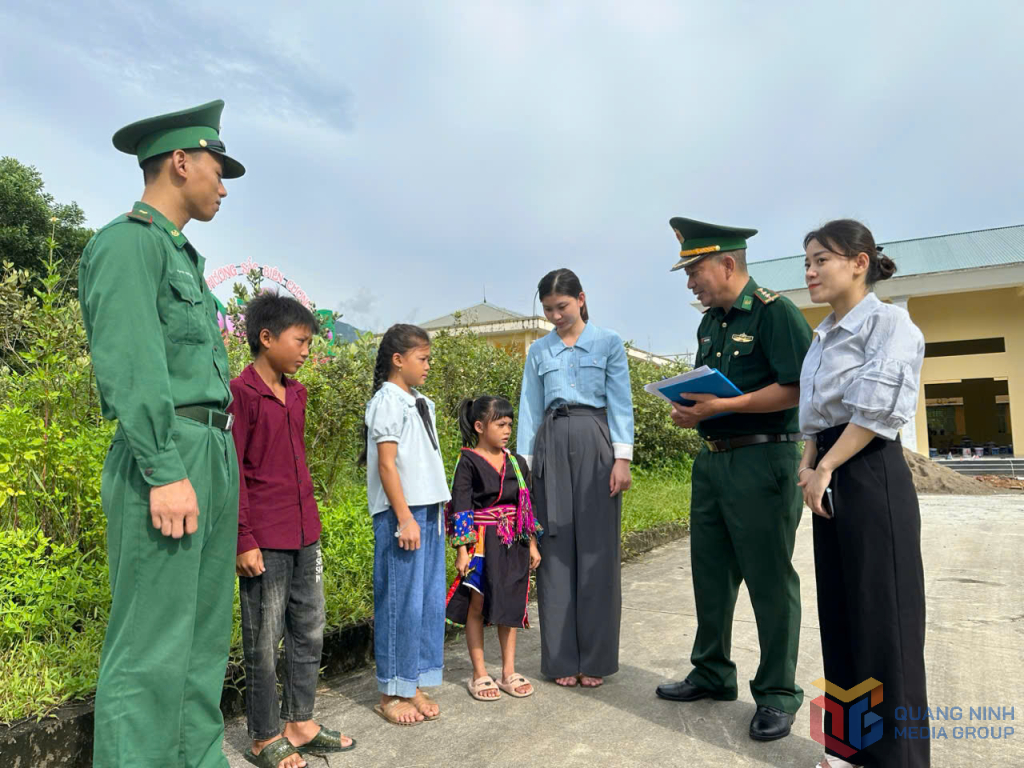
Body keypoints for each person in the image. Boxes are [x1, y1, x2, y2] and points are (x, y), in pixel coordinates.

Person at [79, 100, 245, 768]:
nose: (223, 185)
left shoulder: (184, 259)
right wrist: (162, 466)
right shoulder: (127, 242)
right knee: (152, 644)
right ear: (181, 161)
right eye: (217, 167)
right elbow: (131, 364)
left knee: (203, 640)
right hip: (169, 453)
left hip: (210, 448)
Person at [655, 218, 811, 742]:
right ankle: (712, 673)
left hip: (764, 461)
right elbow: (708, 393)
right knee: (711, 575)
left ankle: (777, 693)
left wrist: (728, 405)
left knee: (769, 579)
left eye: (695, 270)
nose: (690, 282)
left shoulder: (775, 312)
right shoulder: (710, 324)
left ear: (727, 263)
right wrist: (692, 411)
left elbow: (796, 388)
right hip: (714, 461)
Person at [797, 220, 928, 768]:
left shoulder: (890, 324)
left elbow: (876, 412)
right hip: (826, 471)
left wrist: (825, 465)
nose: (810, 271)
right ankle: (849, 749)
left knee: (885, 621)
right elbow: (814, 415)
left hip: (869, 472)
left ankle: (897, 759)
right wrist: (808, 467)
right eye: (806, 262)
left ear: (859, 261)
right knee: (842, 615)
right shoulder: (822, 333)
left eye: (820, 259)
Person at [226, 293, 355, 768]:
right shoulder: (241, 394)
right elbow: (234, 469)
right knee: (262, 640)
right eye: (300, 341)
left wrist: (311, 527)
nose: (306, 351)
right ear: (266, 338)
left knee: (309, 629)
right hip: (265, 537)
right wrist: (242, 537)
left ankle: (300, 722)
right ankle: (262, 736)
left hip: (305, 532)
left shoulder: (295, 393)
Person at [517, 268, 634, 689]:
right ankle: (561, 657)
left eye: (562, 307)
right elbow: (529, 407)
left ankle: (596, 659)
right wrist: (523, 467)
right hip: (550, 441)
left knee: (598, 552)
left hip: (596, 439)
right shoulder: (538, 351)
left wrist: (622, 459)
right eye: (548, 309)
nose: (555, 316)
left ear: (581, 299)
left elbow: (621, 401)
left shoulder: (608, 342)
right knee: (554, 550)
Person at [361, 324, 450, 725]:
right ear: (398, 360)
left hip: (428, 512)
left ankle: (411, 681)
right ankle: (389, 692)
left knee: (427, 602)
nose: (428, 365)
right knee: (399, 601)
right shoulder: (387, 401)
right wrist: (404, 517)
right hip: (404, 514)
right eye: (423, 358)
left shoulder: (420, 401)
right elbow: (386, 464)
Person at [445, 396, 543, 701]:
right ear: (479, 426)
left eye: (509, 424)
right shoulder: (468, 462)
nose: (506, 430)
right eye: (500, 424)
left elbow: (526, 507)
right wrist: (463, 551)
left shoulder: (517, 462)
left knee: (511, 603)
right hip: (483, 543)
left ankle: (508, 671)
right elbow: (461, 507)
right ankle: (479, 673)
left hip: (514, 541)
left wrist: (533, 545)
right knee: (477, 604)